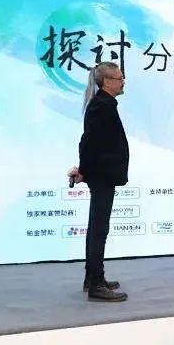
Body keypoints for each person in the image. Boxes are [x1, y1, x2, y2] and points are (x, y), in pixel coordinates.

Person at [68, 62, 128, 302]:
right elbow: (88, 143)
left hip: (103, 174)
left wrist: (85, 169)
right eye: (119, 78)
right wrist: (83, 170)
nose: (123, 82)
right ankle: (96, 283)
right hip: (102, 175)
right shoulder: (102, 106)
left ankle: (92, 278)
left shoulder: (104, 105)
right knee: (99, 229)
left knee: (97, 227)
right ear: (107, 81)